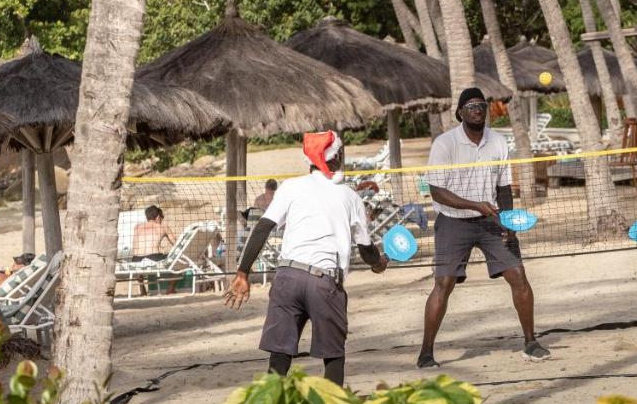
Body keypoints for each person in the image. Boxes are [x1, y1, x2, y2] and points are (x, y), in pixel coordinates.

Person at [223, 131, 387, 386]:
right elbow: (366, 248)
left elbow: (263, 227)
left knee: (280, 355)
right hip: (325, 283)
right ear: (337, 157)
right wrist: (378, 263)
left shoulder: (291, 186)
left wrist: (243, 273)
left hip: (287, 278)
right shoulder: (350, 196)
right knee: (333, 356)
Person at [419, 87, 550, 368]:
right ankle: (426, 353)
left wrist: (509, 222)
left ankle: (531, 342)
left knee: (518, 276)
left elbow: (503, 188)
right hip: (453, 220)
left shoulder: (498, 142)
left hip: (491, 218)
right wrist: (475, 205)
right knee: (444, 284)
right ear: (460, 113)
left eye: (481, 105)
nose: (477, 109)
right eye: (471, 106)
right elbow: (437, 192)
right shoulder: (445, 143)